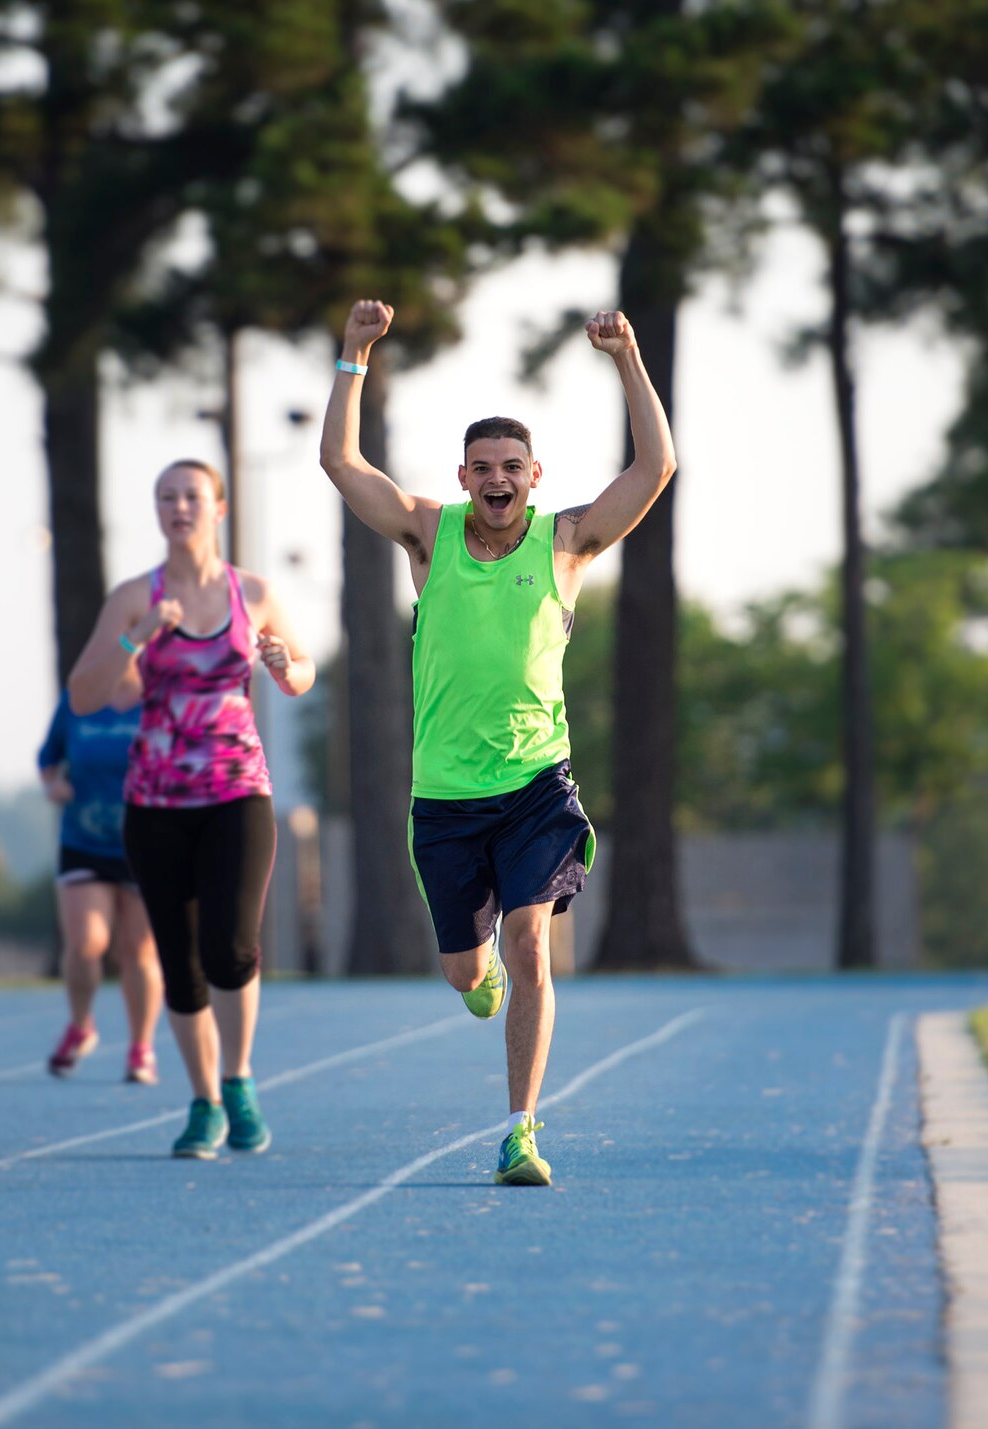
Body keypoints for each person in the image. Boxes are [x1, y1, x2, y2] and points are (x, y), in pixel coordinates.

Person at [318, 299, 675, 1186]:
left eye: (511, 466)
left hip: (534, 787)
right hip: (443, 797)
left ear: (534, 474)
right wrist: (354, 356)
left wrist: (628, 357)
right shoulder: (428, 535)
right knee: (464, 968)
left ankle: (520, 1129)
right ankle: (474, 981)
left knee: (529, 944)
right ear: (465, 477)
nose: (496, 479)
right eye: (482, 467)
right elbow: (340, 460)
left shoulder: (567, 543)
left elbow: (656, 466)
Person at [67, 459, 315, 1159]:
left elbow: (302, 672)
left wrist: (281, 665)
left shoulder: (254, 591)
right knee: (179, 961)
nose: (179, 507)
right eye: (166, 497)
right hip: (156, 799)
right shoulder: (131, 598)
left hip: (238, 790)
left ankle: (238, 1080)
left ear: (219, 508)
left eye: (192, 496)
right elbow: (85, 695)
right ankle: (204, 1100)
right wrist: (135, 637)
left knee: (231, 945)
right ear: (156, 511)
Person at [36, 694, 164, 1082]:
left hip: (146, 840)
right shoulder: (79, 696)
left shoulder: (159, 694)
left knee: (139, 949)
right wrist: (53, 784)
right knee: (87, 941)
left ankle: (141, 1049)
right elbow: (48, 759)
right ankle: (80, 1025)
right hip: (84, 841)